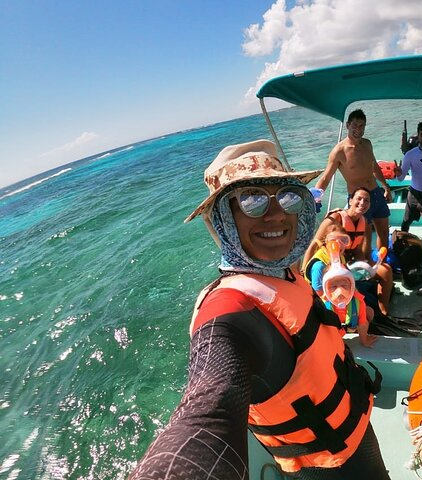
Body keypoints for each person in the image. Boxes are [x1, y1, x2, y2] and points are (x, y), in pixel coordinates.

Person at [130, 140, 388, 479]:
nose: (277, 212)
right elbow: (207, 414)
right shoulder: (227, 312)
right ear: (223, 218)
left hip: (357, 432)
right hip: (326, 466)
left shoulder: (283, 273)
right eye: (250, 199)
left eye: (286, 195)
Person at [303, 187, 394, 316]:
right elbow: (314, 245)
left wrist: (365, 265)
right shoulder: (334, 219)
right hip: (331, 264)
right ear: (350, 201)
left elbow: (358, 249)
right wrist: (303, 271)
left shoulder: (364, 222)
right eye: (359, 198)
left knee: (385, 271)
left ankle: (384, 311)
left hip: (348, 262)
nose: (362, 203)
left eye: (366, 200)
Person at [314, 109, 392, 258]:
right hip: (359, 199)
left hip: (376, 193)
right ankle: (368, 270)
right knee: (365, 239)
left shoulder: (367, 144)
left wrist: (385, 187)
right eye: (355, 125)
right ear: (348, 125)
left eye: (362, 126)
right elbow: (326, 178)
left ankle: (382, 265)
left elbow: (375, 167)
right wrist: (315, 197)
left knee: (383, 233)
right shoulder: (339, 151)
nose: (358, 129)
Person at [305, 225, 378, 347]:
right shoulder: (318, 266)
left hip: (345, 297)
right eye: (333, 240)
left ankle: (356, 329)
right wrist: (339, 298)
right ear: (326, 242)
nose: (338, 244)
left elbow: (349, 282)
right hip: (326, 300)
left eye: (343, 240)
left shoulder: (341, 258)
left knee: (369, 310)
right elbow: (319, 294)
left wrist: (355, 298)